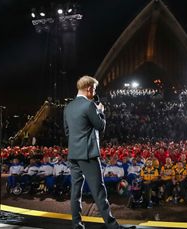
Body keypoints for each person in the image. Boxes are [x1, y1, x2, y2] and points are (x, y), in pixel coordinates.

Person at [64, 75, 133, 229]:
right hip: (88, 154)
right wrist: (100, 111)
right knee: (99, 190)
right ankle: (112, 226)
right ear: (89, 88)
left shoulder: (68, 107)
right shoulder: (90, 106)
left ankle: (77, 225)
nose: (94, 93)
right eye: (94, 89)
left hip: (73, 154)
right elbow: (100, 126)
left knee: (76, 193)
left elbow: (67, 132)